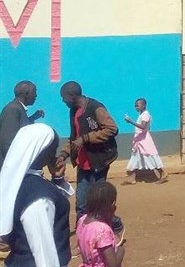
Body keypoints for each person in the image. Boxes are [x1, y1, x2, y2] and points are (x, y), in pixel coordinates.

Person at [0, 123, 72, 267]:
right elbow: (44, 255)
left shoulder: (18, 183)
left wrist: (57, 179)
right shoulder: (39, 196)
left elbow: (53, 206)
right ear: (43, 151)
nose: (55, 155)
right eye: (53, 149)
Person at [55, 81, 121, 231]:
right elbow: (74, 137)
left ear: (72, 95)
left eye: (63, 97)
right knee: (82, 202)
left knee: (98, 201)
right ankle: (82, 234)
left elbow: (112, 129)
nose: (62, 100)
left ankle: (113, 226)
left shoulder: (95, 108)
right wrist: (64, 154)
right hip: (83, 162)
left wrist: (86, 138)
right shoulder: (73, 111)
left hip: (99, 160)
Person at [76, 182, 125, 267]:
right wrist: (121, 250)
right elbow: (112, 265)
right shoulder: (102, 230)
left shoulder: (81, 221)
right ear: (112, 205)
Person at [0, 81, 44, 170]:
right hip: (10, 167)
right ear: (26, 94)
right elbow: (7, 141)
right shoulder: (13, 109)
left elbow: (20, 128)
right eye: (34, 92)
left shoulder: (18, 108)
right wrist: (15, 165)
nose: (36, 96)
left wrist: (32, 118)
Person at [123, 98, 167, 185]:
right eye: (135, 106)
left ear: (143, 105)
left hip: (144, 140)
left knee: (150, 157)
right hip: (140, 140)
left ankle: (163, 173)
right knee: (136, 157)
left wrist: (130, 121)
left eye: (138, 105)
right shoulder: (142, 114)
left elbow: (143, 127)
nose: (136, 107)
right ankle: (132, 177)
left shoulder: (145, 115)